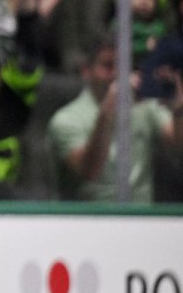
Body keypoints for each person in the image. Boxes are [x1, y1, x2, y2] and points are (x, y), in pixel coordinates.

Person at [49, 40, 183, 202]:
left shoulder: (146, 108)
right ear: (86, 70)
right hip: (87, 220)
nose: (116, 74)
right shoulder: (66, 119)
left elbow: (178, 146)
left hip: (143, 219)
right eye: (107, 66)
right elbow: (89, 171)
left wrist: (178, 110)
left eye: (123, 66)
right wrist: (108, 110)